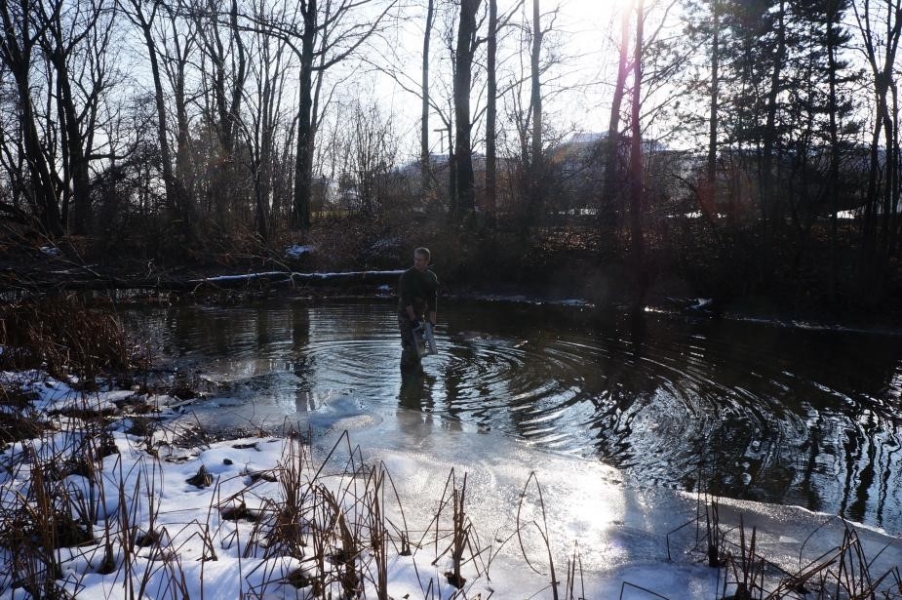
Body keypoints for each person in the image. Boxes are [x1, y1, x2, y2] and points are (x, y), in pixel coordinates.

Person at [398, 247, 438, 370]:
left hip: (420, 313)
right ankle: (405, 374)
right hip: (406, 314)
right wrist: (413, 320)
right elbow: (407, 301)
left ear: (427, 261)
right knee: (410, 346)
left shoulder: (431, 277)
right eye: (415, 259)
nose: (416, 262)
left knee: (420, 347)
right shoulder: (407, 276)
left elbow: (433, 302)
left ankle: (418, 374)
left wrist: (432, 323)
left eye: (420, 260)